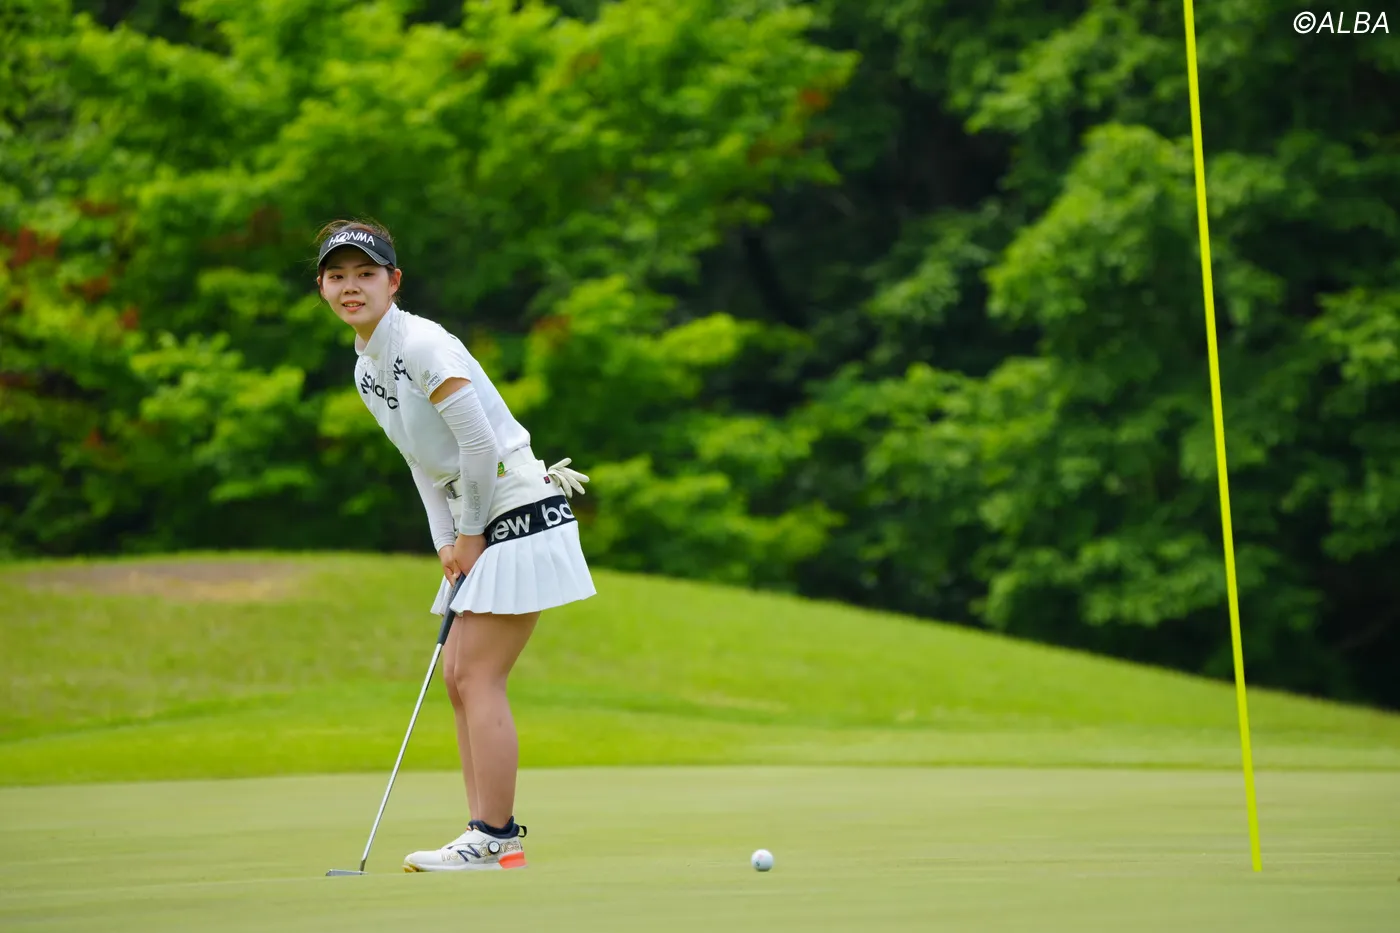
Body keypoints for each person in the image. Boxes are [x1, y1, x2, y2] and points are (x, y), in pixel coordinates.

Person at [315, 218, 596, 872]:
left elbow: (478, 443)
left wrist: (468, 533)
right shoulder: (366, 367)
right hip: (477, 512)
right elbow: (420, 458)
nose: (351, 286)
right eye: (337, 276)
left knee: (476, 672)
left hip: (515, 503)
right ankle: (484, 834)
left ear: (394, 281)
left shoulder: (422, 345)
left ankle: (494, 835)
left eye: (366, 274)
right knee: (457, 674)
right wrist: (446, 539)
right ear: (322, 288)